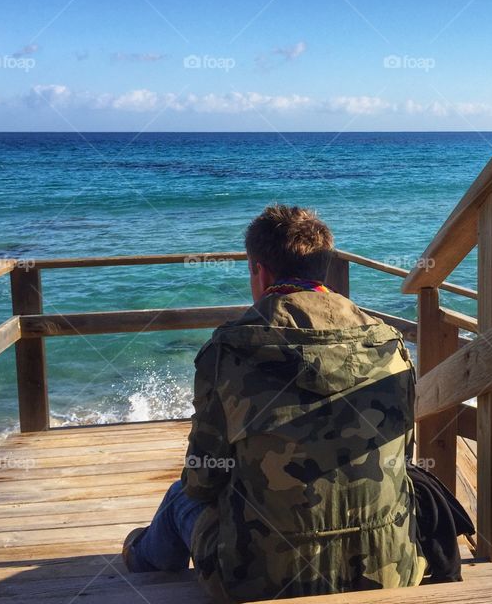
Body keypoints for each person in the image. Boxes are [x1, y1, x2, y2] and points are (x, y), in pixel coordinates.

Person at [123, 204, 426, 602]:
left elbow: (201, 481)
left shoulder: (229, 350)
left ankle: (141, 556)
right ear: (324, 270)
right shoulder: (389, 343)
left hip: (260, 581)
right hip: (388, 569)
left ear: (260, 272)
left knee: (179, 497)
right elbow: (404, 458)